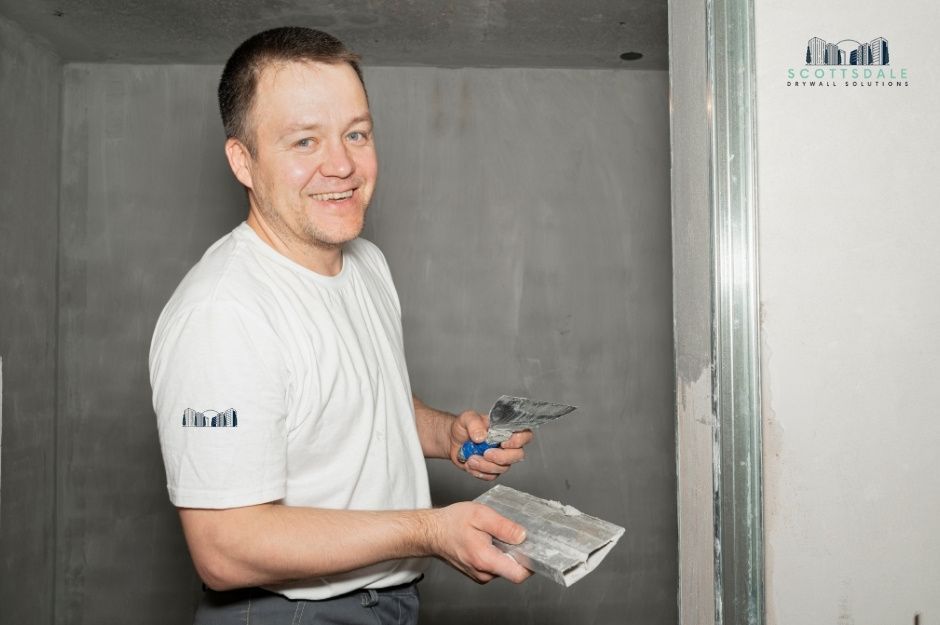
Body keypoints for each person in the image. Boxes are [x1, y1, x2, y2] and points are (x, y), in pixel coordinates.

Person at [149, 26, 534, 624]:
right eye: (305, 141)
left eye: (356, 133)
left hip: (389, 602)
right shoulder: (223, 315)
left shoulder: (365, 263)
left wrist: (444, 434)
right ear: (243, 160)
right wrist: (431, 530)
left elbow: (360, 400)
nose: (343, 164)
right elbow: (225, 548)